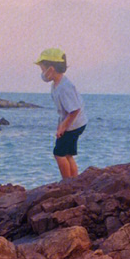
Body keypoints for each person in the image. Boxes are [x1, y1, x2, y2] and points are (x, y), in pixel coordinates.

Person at [35, 47, 88, 178]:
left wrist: (64, 127)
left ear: (51, 69)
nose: (42, 73)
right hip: (74, 123)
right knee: (67, 153)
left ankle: (67, 182)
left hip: (74, 124)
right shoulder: (56, 84)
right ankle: (75, 181)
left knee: (59, 153)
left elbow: (75, 110)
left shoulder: (65, 87)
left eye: (42, 69)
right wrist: (61, 124)